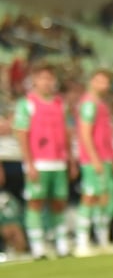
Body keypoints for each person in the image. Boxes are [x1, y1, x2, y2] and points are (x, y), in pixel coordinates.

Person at [12, 62, 75, 259]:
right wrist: (28, 162)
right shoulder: (27, 103)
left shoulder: (60, 104)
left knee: (59, 202)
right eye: (42, 78)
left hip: (58, 161)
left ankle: (61, 244)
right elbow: (22, 133)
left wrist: (70, 160)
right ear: (35, 81)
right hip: (38, 162)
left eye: (50, 78)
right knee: (35, 203)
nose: (47, 82)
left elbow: (67, 133)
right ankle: (38, 247)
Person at [75, 68, 113, 254]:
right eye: (100, 81)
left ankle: (102, 239)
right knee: (90, 197)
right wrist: (94, 159)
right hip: (94, 160)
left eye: (107, 82)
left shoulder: (102, 104)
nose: (105, 85)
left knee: (104, 199)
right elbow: (85, 134)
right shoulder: (88, 104)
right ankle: (82, 241)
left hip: (106, 158)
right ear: (92, 82)